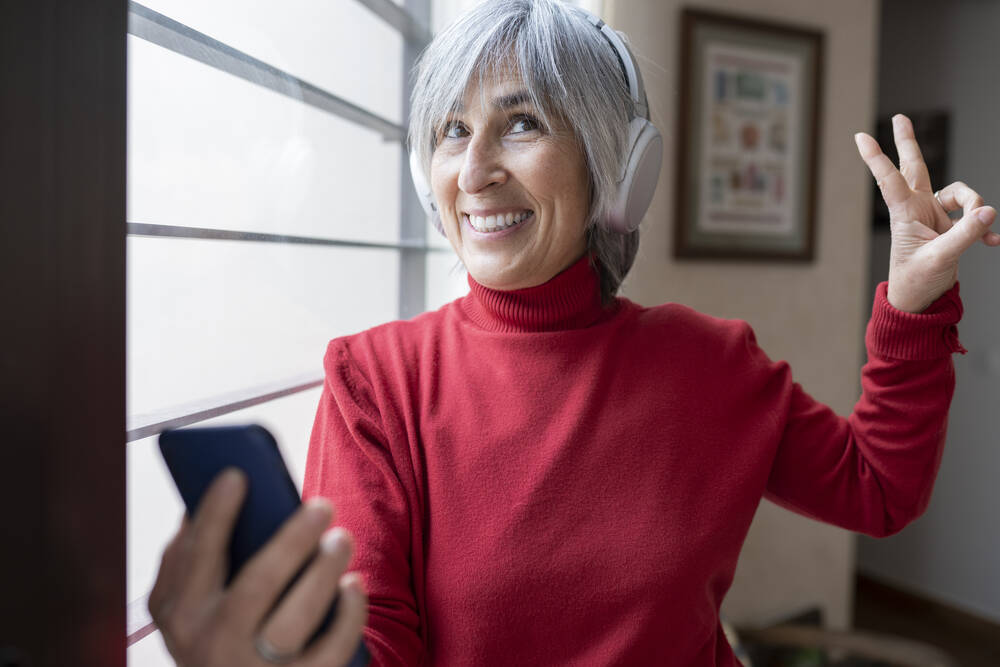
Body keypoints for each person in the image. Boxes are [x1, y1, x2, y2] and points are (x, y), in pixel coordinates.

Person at [149, 1, 998, 665]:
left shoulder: (711, 363)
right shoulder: (375, 381)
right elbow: (380, 644)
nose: (473, 168)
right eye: (451, 130)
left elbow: (879, 489)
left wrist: (916, 303)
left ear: (617, 170)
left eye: (520, 122)